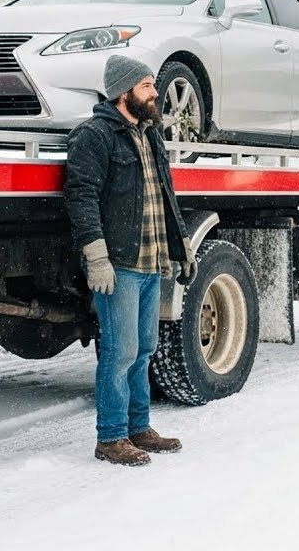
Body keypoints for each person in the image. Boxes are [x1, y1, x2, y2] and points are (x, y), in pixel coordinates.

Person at [65, 55, 196, 466]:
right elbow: (81, 196)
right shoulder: (95, 135)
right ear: (123, 92)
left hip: (151, 262)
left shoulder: (150, 134)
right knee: (119, 352)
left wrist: (181, 246)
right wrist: (96, 256)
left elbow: (165, 196)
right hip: (118, 263)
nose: (155, 93)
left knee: (143, 349)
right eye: (146, 86)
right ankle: (111, 437)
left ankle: (139, 428)